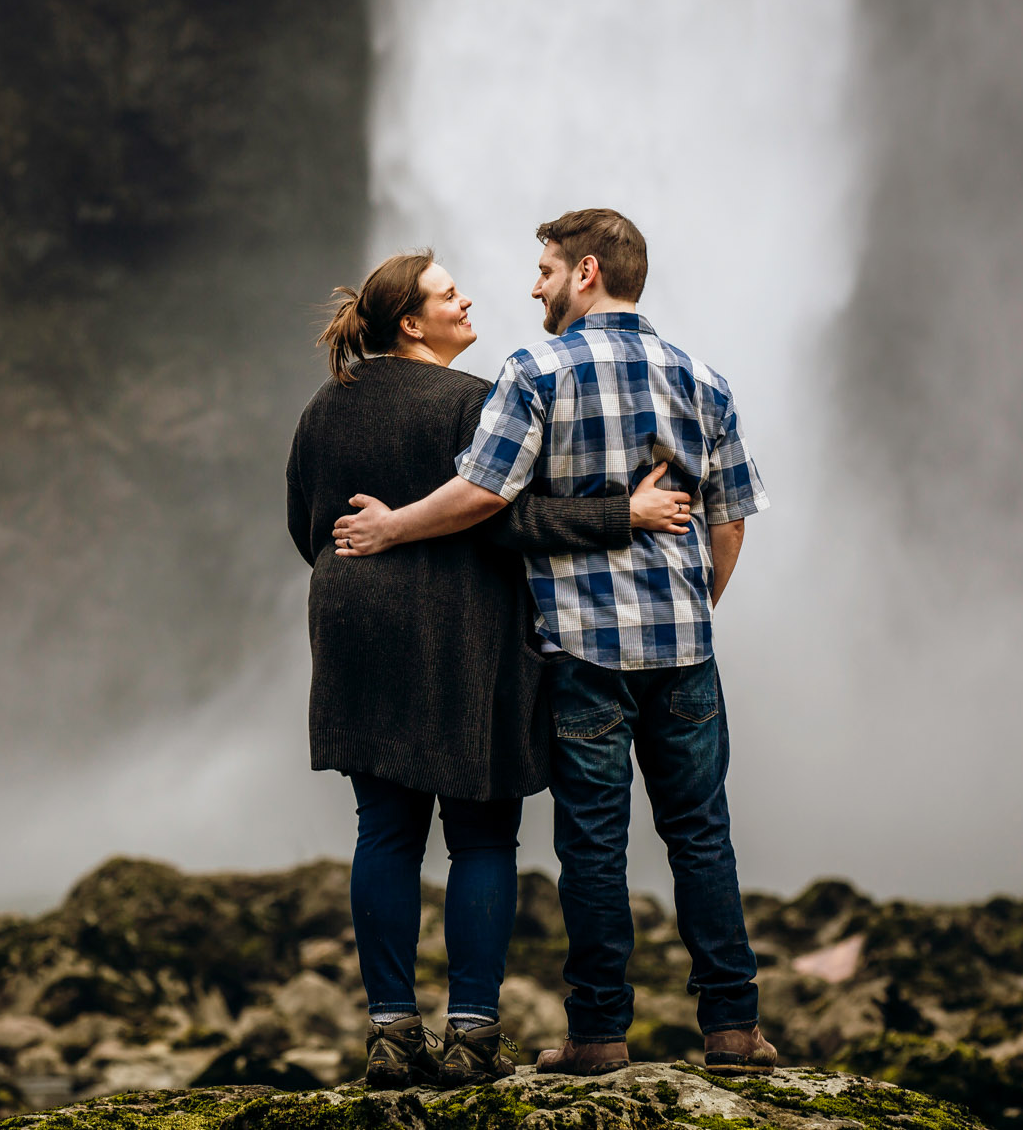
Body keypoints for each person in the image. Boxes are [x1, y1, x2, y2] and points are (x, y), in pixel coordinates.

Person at [332, 209, 778, 1075]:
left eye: (543, 268)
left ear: (586, 274)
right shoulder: (703, 377)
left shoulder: (536, 372)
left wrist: (389, 530)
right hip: (685, 649)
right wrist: (697, 602)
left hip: (583, 650)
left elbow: (481, 495)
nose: (530, 285)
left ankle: (599, 1034)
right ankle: (732, 1028)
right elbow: (730, 522)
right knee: (702, 834)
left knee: (593, 846)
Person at [285, 250, 693, 1089]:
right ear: (411, 321)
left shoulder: (326, 407)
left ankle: (391, 1034)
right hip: (462, 631)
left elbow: (306, 524)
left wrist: (366, 567)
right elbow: (511, 520)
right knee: (479, 833)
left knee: (385, 829)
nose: (467, 299)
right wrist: (631, 511)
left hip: (356, 627)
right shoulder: (475, 401)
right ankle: (471, 1035)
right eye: (447, 293)